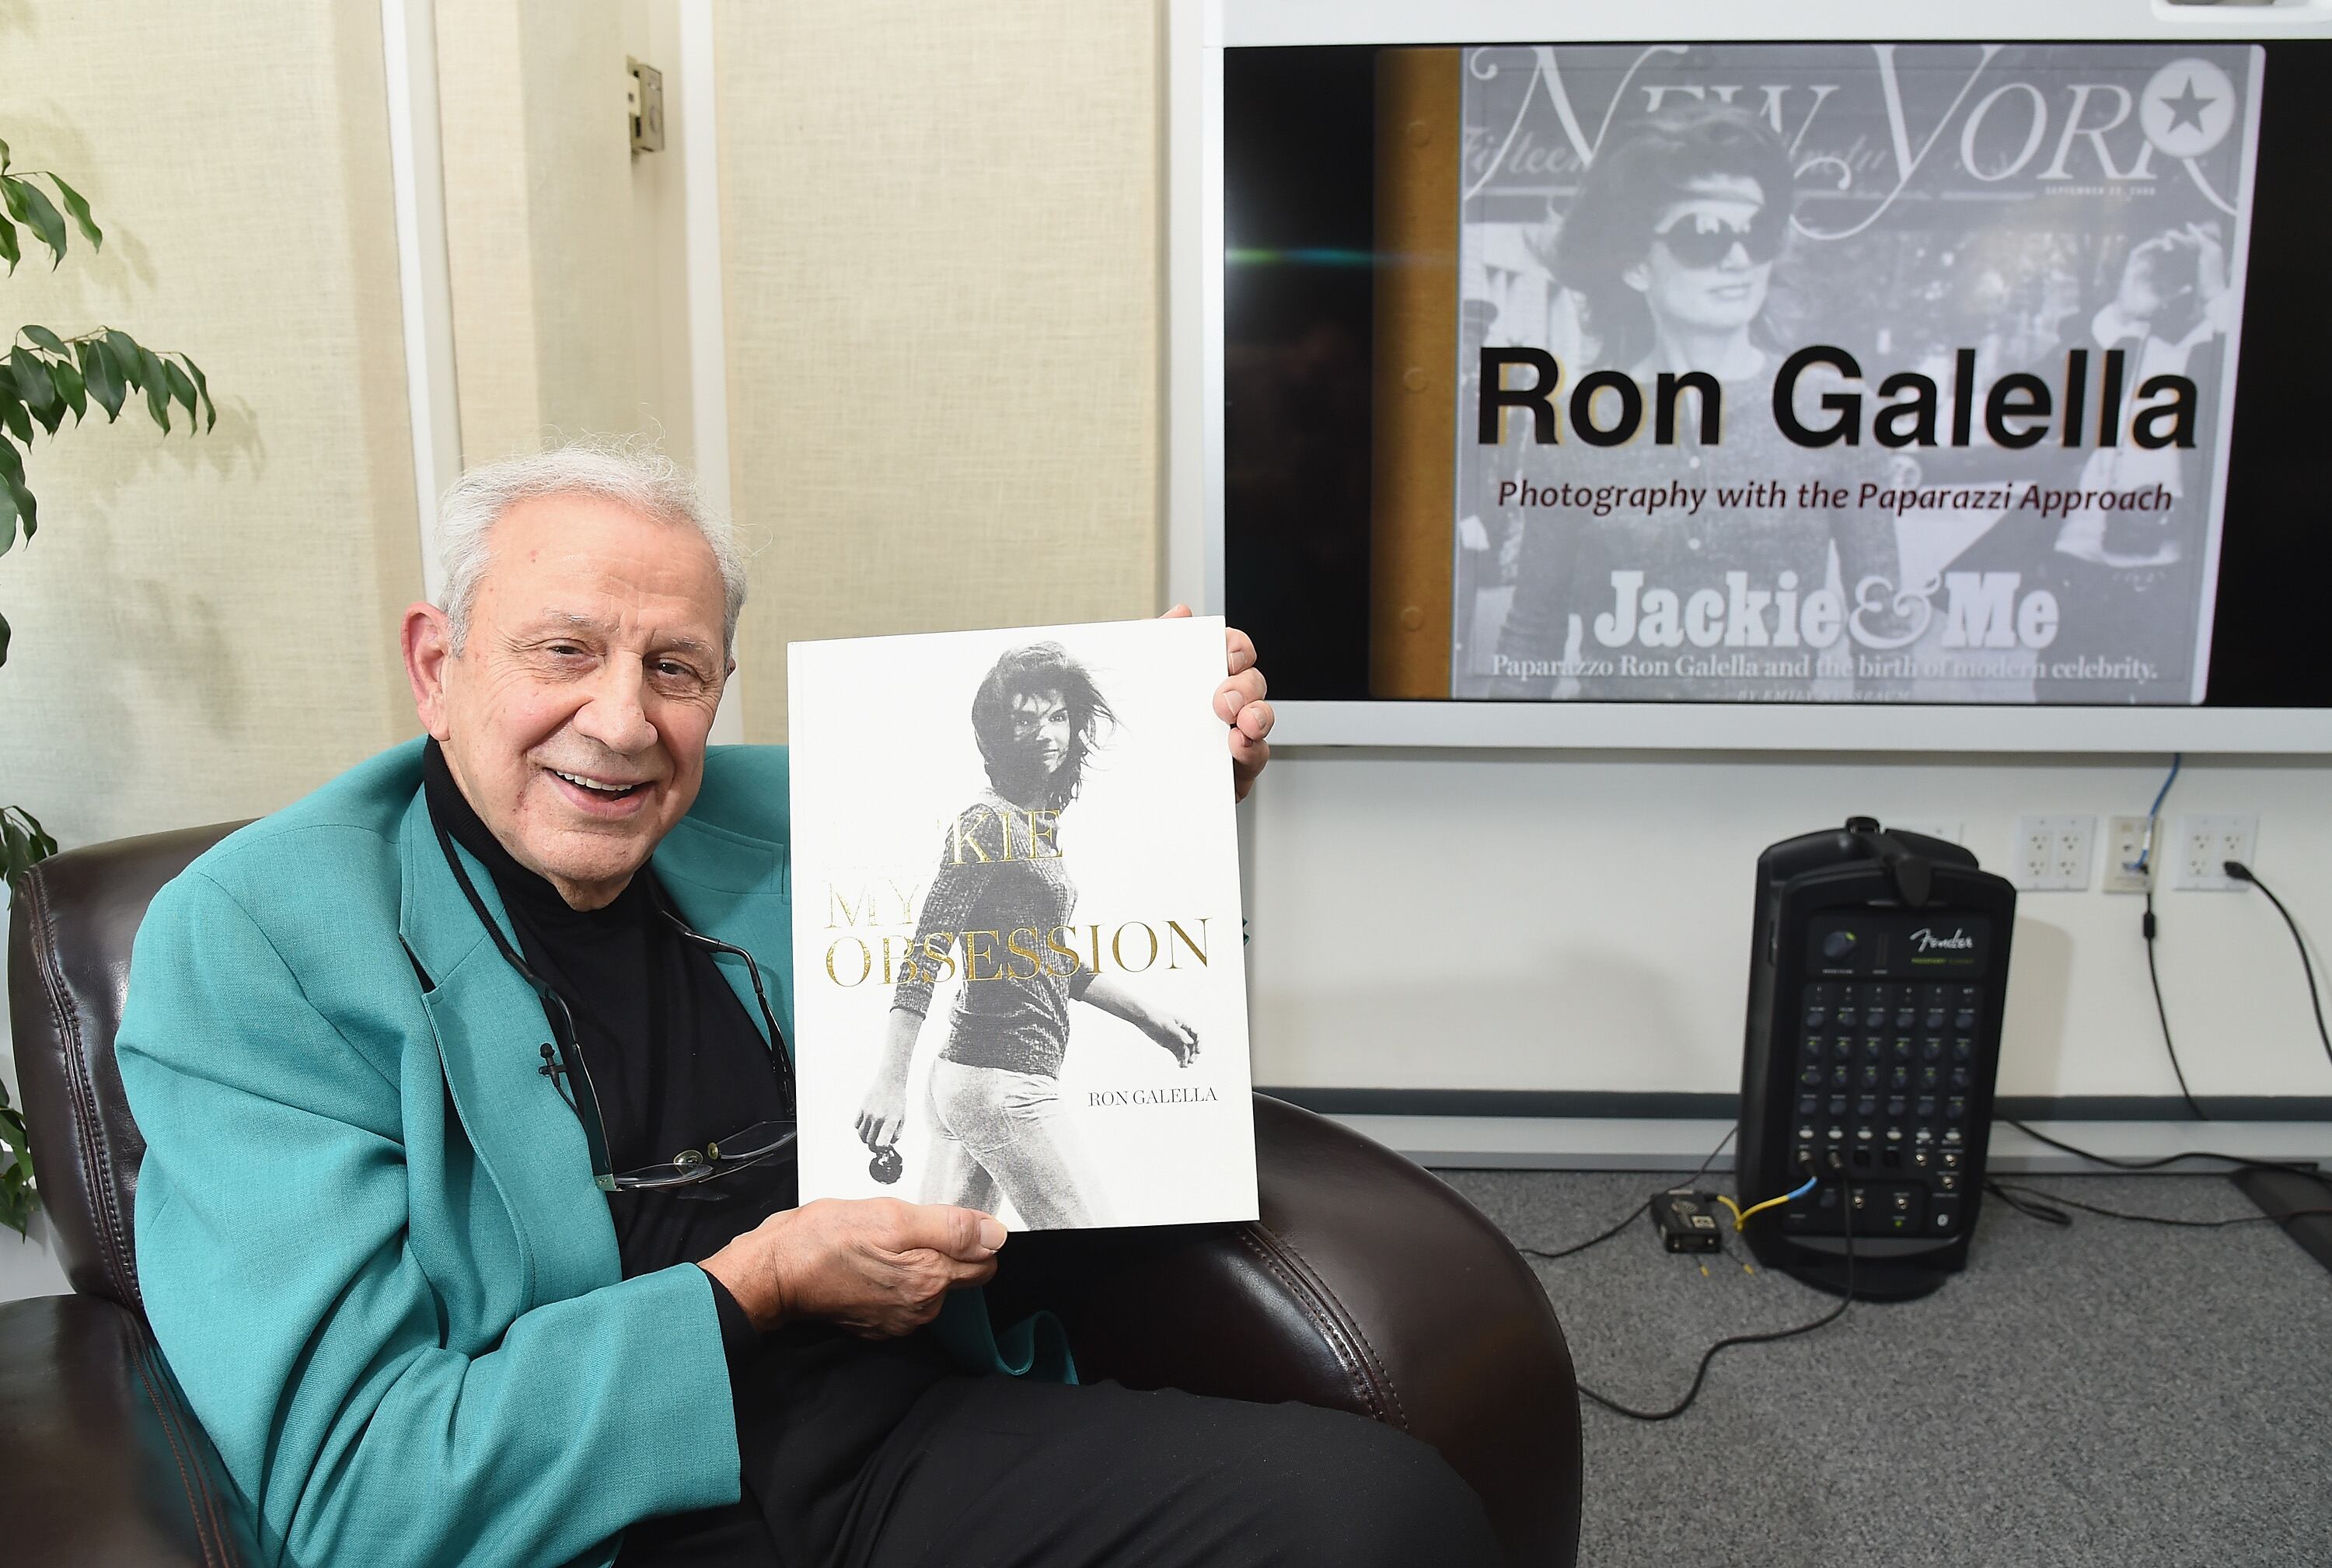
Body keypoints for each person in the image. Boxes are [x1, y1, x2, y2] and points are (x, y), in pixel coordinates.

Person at [113, 439, 1500, 1568]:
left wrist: (1171, 784)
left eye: (675, 668)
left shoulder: (804, 813)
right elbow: (365, 1493)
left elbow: (1026, 818)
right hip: (584, 1520)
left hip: (892, 1435)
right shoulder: (257, 942)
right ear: (437, 662)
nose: (619, 720)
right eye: (561, 652)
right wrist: (754, 1284)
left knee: (1382, 1517)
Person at [1490, 102, 1904, 700]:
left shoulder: (1836, 410)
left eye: (1756, 233)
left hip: (1770, 776)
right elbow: (1531, 637)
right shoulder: (1576, 424)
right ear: (1636, 265)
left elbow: (1884, 639)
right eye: (1704, 236)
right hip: (1614, 775)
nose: (1739, 259)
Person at [851, 643, 1201, 1228]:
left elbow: (1049, 960)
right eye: (1024, 718)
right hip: (1001, 1083)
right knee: (1095, 1241)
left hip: (980, 1081)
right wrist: (890, 1081)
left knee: (940, 1270)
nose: (1047, 732)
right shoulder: (986, 823)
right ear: (998, 734)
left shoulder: (1034, 829)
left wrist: (1148, 1016)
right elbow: (926, 949)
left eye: (1058, 715)